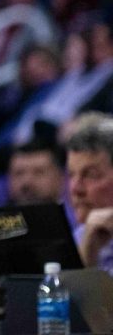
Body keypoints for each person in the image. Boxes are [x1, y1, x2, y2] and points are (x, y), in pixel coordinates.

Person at [64, 112, 113, 274]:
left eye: (90, 175)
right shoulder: (81, 235)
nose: (76, 189)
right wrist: (88, 254)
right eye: (71, 174)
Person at [6, 139, 65, 206]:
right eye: (19, 173)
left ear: (59, 179)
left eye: (38, 172)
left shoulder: (76, 216)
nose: (27, 181)